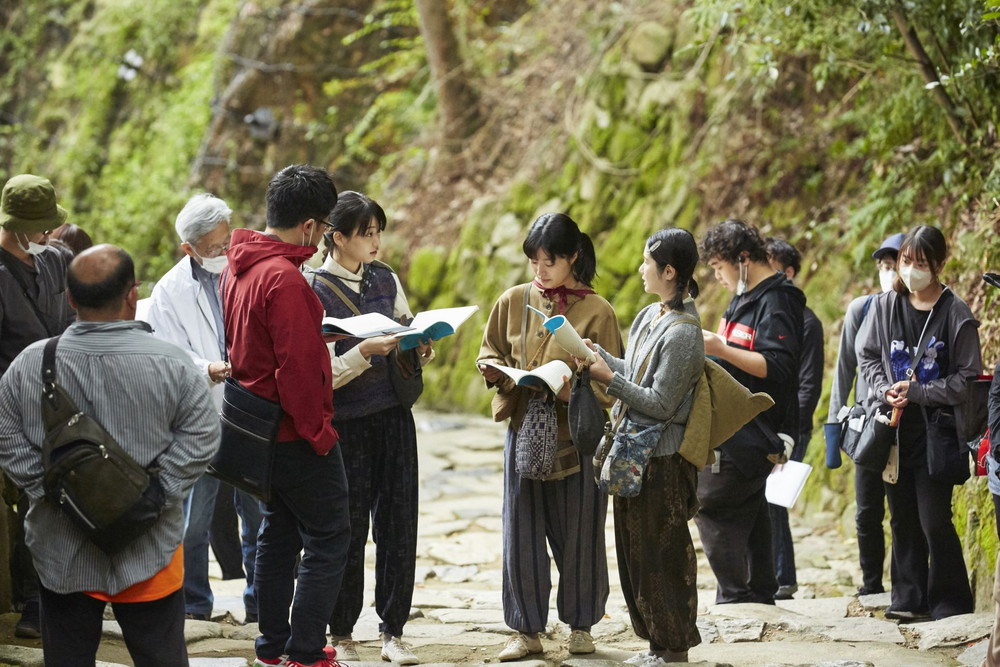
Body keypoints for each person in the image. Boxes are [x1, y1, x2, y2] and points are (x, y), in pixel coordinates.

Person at [0, 244, 220, 665]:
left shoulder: (32, 363)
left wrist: (55, 491)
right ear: (132, 294)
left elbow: (5, 435)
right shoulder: (172, 364)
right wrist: (153, 497)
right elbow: (202, 437)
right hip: (149, 550)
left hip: (63, 549)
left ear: (69, 298)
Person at [477, 213, 623, 661]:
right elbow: (490, 350)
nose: (540, 272)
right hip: (525, 429)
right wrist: (497, 371)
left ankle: (581, 627)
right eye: (535, 262)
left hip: (578, 437)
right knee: (521, 529)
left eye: (549, 262)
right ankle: (525, 630)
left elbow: (615, 378)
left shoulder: (599, 311)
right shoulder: (513, 299)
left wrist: (571, 384)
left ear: (573, 257)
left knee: (580, 532)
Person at [223, 164, 348, 667]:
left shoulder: (242, 268)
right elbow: (295, 372)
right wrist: (320, 434)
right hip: (295, 431)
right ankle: (305, 650)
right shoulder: (286, 279)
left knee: (278, 534)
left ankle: (272, 646)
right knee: (330, 535)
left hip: (255, 429)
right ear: (311, 227)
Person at [310, 191, 432, 665]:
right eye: (367, 233)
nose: (376, 241)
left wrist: (418, 346)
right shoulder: (313, 289)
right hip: (348, 424)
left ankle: (393, 630)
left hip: (394, 418)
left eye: (379, 231)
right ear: (337, 238)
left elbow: (403, 329)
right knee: (349, 524)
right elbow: (323, 372)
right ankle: (341, 631)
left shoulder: (385, 278)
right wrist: (365, 353)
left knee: (400, 523)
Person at [581, 228, 703, 665]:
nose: (640, 269)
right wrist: (600, 356)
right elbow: (636, 372)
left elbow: (660, 402)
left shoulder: (684, 333)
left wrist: (608, 380)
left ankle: (673, 649)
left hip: (663, 460)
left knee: (662, 555)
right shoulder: (651, 315)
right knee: (636, 554)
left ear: (670, 272)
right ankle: (656, 644)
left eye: (647, 262)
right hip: (634, 455)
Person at [145, 193, 262, 623]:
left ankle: (259, 603)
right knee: (194, 521)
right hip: (200, 417)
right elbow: (167, 354)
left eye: (227, 241)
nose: (225, 253)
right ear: (188, 249)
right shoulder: (170, 291)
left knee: (257, 515)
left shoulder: (246, 270)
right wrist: (207, 368)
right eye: (214, 249)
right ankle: (195, 605)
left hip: (250, 412)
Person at [858, 224, 979, 621]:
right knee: (902, 516)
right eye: (906, 262)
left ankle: (950, 600)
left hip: (937, 433)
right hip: (894, 430)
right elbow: (870, 356)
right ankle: (908, 598)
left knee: (933, 519)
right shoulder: (885, 306)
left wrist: (920, 393)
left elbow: (967, 377)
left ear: (940, 265)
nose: (909, 271)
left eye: (920, 264)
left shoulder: (955, 312)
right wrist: (883, 390)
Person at [696, 219, 804, 605]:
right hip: (735, 420)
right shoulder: (743, 298)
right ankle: (759, 592)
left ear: (743, 259)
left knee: (712, 501)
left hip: (758, 424)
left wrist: (720, 349)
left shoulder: (779, 299)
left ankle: (737, 596)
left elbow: (778, 366)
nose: (716, 276)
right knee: (752, 505)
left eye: (718, 267)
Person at [0, 174, 77, 638]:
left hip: (61, 402)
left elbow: (75, 321)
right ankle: (32, 602)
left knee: (58, 498)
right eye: (41, 227)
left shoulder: (55, 262)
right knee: (33, 500)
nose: (48, 235)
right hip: (12, 407)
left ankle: (54, 596)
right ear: (16, 226)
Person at [827, 232, 904, 596]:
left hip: (907, 422)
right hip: (868, 424)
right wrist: (834, 425)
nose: (888, 273)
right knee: (867, 509)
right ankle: (871, 582)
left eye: (895, 266)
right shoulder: (862, 309)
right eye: (884, 267)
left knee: (904, 510)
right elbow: (844, 369)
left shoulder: (919, 310)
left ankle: (907, 585)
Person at [764, 237, 824, 600]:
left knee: (774, 503)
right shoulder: (773, 314)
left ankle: (783, 576)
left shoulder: (806, 321)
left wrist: (793, 430)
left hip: (792, 426)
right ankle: (774, 574)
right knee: (765, 501)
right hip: (768, 423)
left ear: (788, 273)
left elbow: (809, 384)